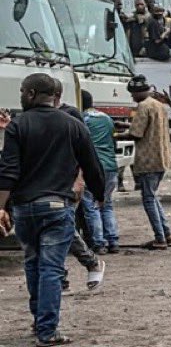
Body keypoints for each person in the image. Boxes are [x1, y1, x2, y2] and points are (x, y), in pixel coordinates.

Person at [0, 74, 106, 347]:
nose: (21, 95)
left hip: (25, 209)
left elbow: (8, 171)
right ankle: (47, 331)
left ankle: (39, 322)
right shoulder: (73, 125)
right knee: (51, 268)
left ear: (33, 93)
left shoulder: (17, 126)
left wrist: (1, 206)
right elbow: (92, 164)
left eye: (23, 91)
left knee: (33, 263)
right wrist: (100, 195)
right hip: (58, 206)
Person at [51, 80, 106, 291]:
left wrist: (81, 179)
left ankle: (90, 262)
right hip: (45, 184)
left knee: (65, 229)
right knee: (51, 233)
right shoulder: (32, 118)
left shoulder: (71, 116)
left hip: (67, 182)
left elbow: (84, 152)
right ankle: (60, 276)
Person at [119, 75, 171, 250]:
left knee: (148, 199)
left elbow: (136, 134)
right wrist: (126, 125)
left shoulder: (143, 106)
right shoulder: (158, 104)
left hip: (148, 159)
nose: (132, 98)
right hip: (161, 157)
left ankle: (160, 238)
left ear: (139, 92)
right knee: (153, 196)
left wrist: (116, 135)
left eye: (133, 94)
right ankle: (167, 233)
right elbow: (148, 127)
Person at [80, 90, 120, 255]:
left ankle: (98, 242)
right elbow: (114, 139)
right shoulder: (106, 118)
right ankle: (113, 241)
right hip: (111, 165)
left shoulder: (82, 120)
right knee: (107, 204)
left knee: (91, 205)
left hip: (93, 167)